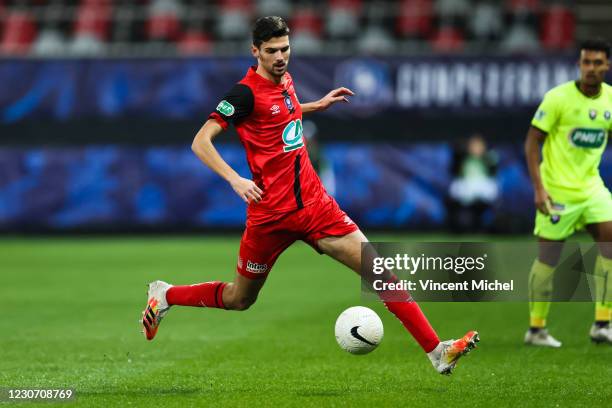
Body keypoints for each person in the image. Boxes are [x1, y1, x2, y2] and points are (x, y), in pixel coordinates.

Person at [140, 16, 478, 374]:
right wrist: (234, 179)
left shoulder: (286, 79)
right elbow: (200, 141)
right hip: (270, 216)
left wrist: (314, 106)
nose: (280, 56)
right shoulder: (243, 94)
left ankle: (437, 352)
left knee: (380, 272)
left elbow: (280, 114)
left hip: (317, 208)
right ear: (255, 51)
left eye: (285, 48)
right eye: (271, 51)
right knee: (240, 299)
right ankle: (166, 294)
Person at [524, 38, 612, 347]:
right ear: (579, 64)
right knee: (548, 257)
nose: (591, 68)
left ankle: (603, 323)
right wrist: (539, 188)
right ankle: (536, 329)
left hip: (592, 189)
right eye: (586, 62)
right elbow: (532, 142)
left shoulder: (610, 101)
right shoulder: (557, 98)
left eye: (597, 63)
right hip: (557, 191)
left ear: (607, 65)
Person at [448, 134, 499, 233]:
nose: (476, 148)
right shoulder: (462, 157)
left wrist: (484, 156)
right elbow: (454, 171)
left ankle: (490, 225)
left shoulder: (489, 157)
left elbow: (493, 171)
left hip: (483, 187)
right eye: (473, 145)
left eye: (478, 145)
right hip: (467, 187)